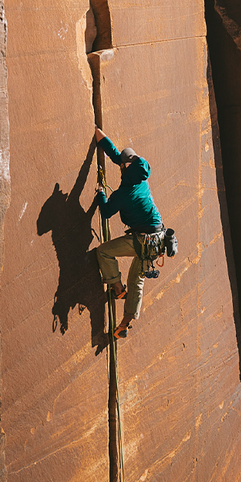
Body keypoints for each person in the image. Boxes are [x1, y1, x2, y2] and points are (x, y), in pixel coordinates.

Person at [94, 126, 163, 338]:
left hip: (141, 241)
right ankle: (123, 324)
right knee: (137, 282)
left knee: (104, 252)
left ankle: (116, 287)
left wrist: (101, 194)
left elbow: (106, 212)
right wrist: (99, 133)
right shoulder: (141, 176)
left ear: (125, 167)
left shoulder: (124, 193)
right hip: (158, 238)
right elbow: (117, 157)